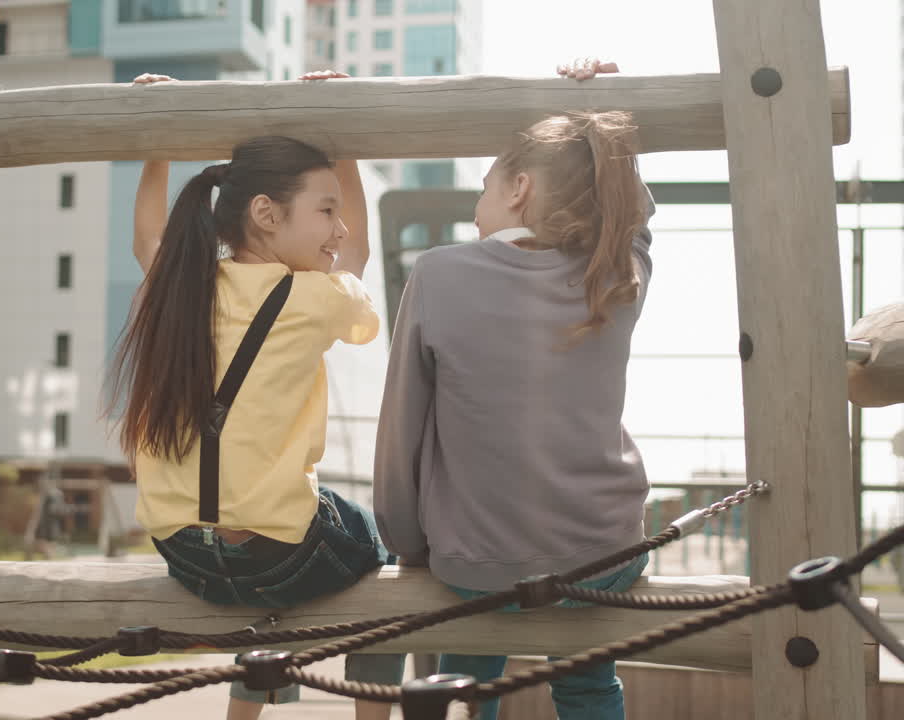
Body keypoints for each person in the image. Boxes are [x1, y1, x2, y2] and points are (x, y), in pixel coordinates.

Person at [112, 71, 403, 720]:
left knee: (282, 539)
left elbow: (145, 237)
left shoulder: (182, 283)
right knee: (383, 559)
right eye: (325, 209)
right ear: (266, 215)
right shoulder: (314, 299)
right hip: (274, 555)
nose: (336, 226)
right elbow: (354, 256)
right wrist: (346, 143)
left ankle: (248, 710)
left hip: (184, 550)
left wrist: (157, 144)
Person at [374, 59, 655, 720]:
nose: (478, 203)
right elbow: (634, 212)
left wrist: (410, 543)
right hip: (605, 555)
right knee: (588, 687)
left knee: (466, 679)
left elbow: (401, 432)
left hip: (478, 561)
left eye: (486, 186)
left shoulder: (439, 274)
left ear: (520, 187)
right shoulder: (618, 275)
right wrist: (601, 103)